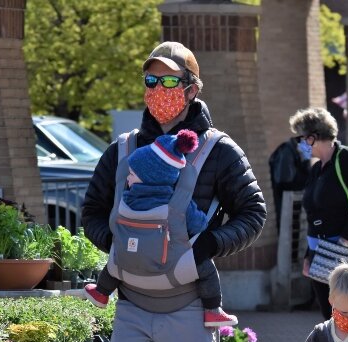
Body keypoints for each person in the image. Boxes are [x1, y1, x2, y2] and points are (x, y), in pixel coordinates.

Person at [81, 41, 266, 342]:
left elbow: (253, 212)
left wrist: (209, 244)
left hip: (188, 304)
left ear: (191, 88)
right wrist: (121, 245)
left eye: (168, 81)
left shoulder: (219, 151)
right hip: (133, 304)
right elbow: (92, 212)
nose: (158, 90)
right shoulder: (123, 149)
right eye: (150, 81)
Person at [83, 129, 238, 328]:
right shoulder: (177, 202)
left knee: (115, 257)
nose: (128, 179)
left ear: (147, 175)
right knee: (206, 268)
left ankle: (101, 292)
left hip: (126, 263)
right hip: (170, 267)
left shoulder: (128, 197)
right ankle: (212, 311)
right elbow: (199, 224)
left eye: (132, 174)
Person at [289, 107, 348, 320]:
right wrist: (309, 256)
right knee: (330, 319)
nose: (298, 144)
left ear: (313, 137)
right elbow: (313, 215)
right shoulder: (317, 169)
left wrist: (346, 240)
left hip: (347, 254)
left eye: (300, 138)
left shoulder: (346, 158)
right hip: (321, 254)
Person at [268, 135, 311, 232]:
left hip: (298, 209)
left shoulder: (300, 151)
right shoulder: (286, 151)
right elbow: (285, 183)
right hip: (289, 209)